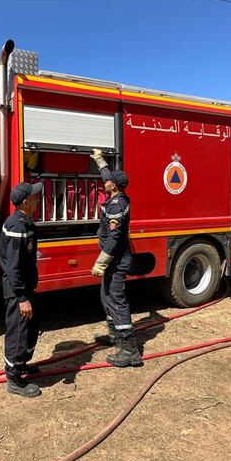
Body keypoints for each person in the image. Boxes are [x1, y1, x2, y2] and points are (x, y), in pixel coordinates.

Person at [90, 149, 144, 367]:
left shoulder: (117, 205)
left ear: (116, 185)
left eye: (109, 180)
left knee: (117, 300)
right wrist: (99, 159)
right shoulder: (115, 194)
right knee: (106, 297)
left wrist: (100, 263)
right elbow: (107, 175)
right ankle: (115, 335)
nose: (106, 181)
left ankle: (130, 350)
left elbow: (113, 239)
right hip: (114, 261)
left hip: (116, 261)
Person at [0, 181, 44, 397]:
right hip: (18, 291)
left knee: (31, 327)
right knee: (18, 331)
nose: (38, 199)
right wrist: (21, 297)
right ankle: (14, 378)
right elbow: (13, 266)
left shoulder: (23, 222)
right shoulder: (17, 226)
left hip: (25, 288)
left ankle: (22, 363)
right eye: (34, 197)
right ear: (25, 202)